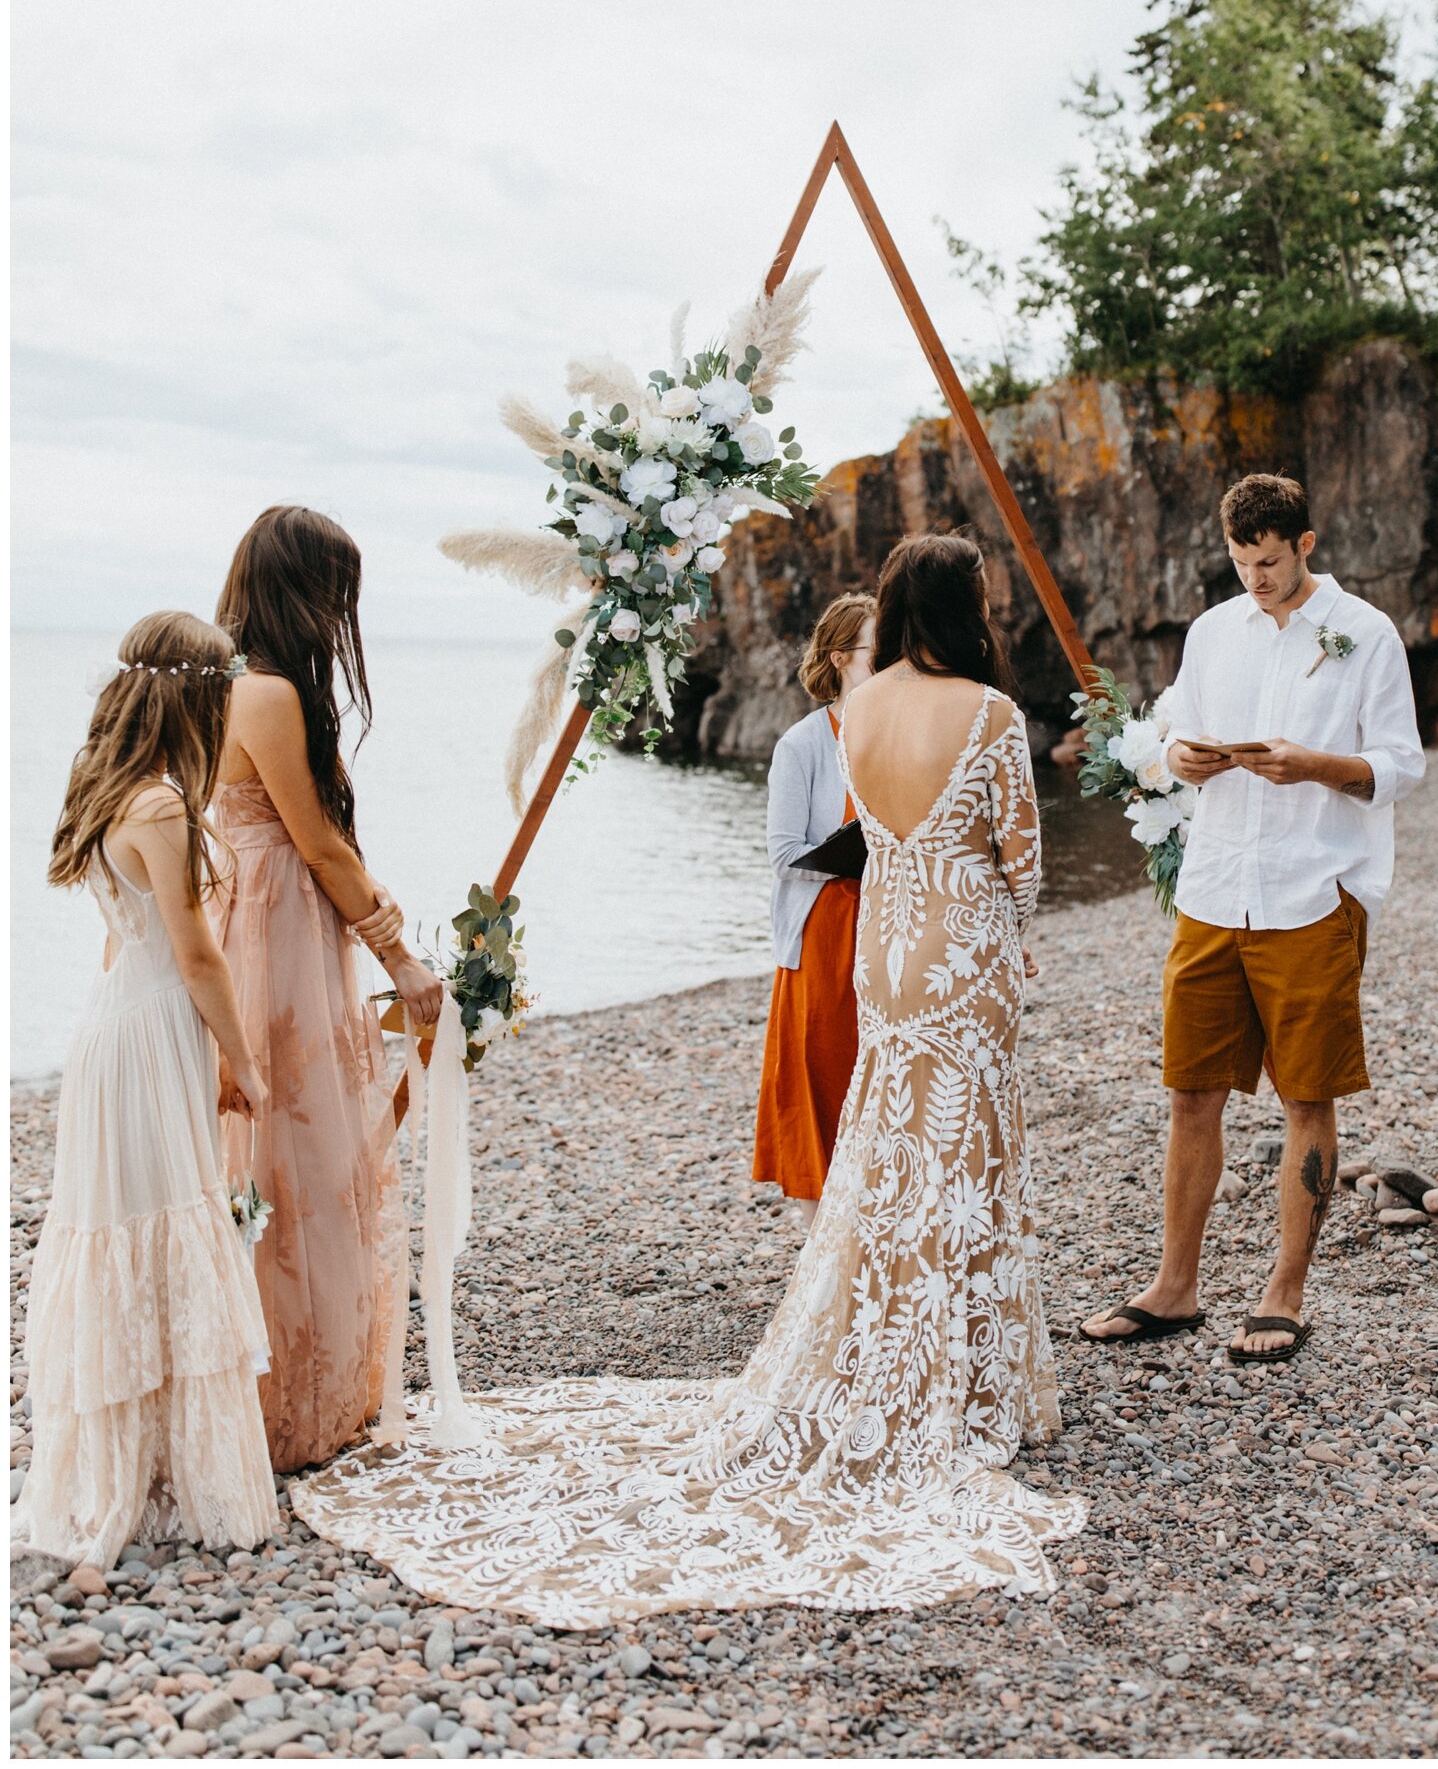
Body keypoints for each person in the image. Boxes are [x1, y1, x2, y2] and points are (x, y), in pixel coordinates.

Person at [288, 529, 1082, 1622]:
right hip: (959, 952)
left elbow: (874, 836)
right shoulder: (989, 714)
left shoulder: (857, 711)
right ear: (965, 605)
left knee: (883, 1152)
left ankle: (867, 1347)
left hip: (881, 959)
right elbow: (1021, 861)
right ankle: (970, 1377)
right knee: (967, 1149)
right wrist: (1001, 916)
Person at [1081, 471, 1424, 1365]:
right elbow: (1171, 738)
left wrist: (1313, 764)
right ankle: (1175, 1285)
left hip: (1314, 890)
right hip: (1212, 888)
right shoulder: (1209, 631)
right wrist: (1181, 759)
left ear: (1304, 545)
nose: (1255, 579)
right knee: (1190, 1092)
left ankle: (1283, 1292)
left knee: (1306, 1096)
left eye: (1268, 562)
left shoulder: (1366, 635)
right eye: (1240, 563)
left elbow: (1400, 766)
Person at [14, 613, 278, 1570]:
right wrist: (240, 1061)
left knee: (128, 1230)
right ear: (196, 699)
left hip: (111, 1024)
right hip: (154, 1022)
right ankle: (154, 1483)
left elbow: (122, 938)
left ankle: (140, 1470)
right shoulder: (164, 803)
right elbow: (196, 951)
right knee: (163, 1224)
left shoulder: (107, 783)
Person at [215, 506, 442, 1472]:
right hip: (275, 927)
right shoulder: (266, 693)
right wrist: (403, 960)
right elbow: (313, 844)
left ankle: (258, 1381)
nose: (344, 610)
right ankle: (288, 1398)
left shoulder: (220, 680)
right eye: (336, 589)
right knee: (295, 1145)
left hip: (253, 912)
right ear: (303, 591)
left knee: (266, 1149)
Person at [753, 591, 875, 1222]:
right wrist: (853, 853)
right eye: (877, 653)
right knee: (823, 1069)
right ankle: (819, 1230)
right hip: (826, 925)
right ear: (840, 659)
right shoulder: (801, 745)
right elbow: (783, 853)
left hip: (888, 920)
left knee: (879, 1073)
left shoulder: (896, 733)